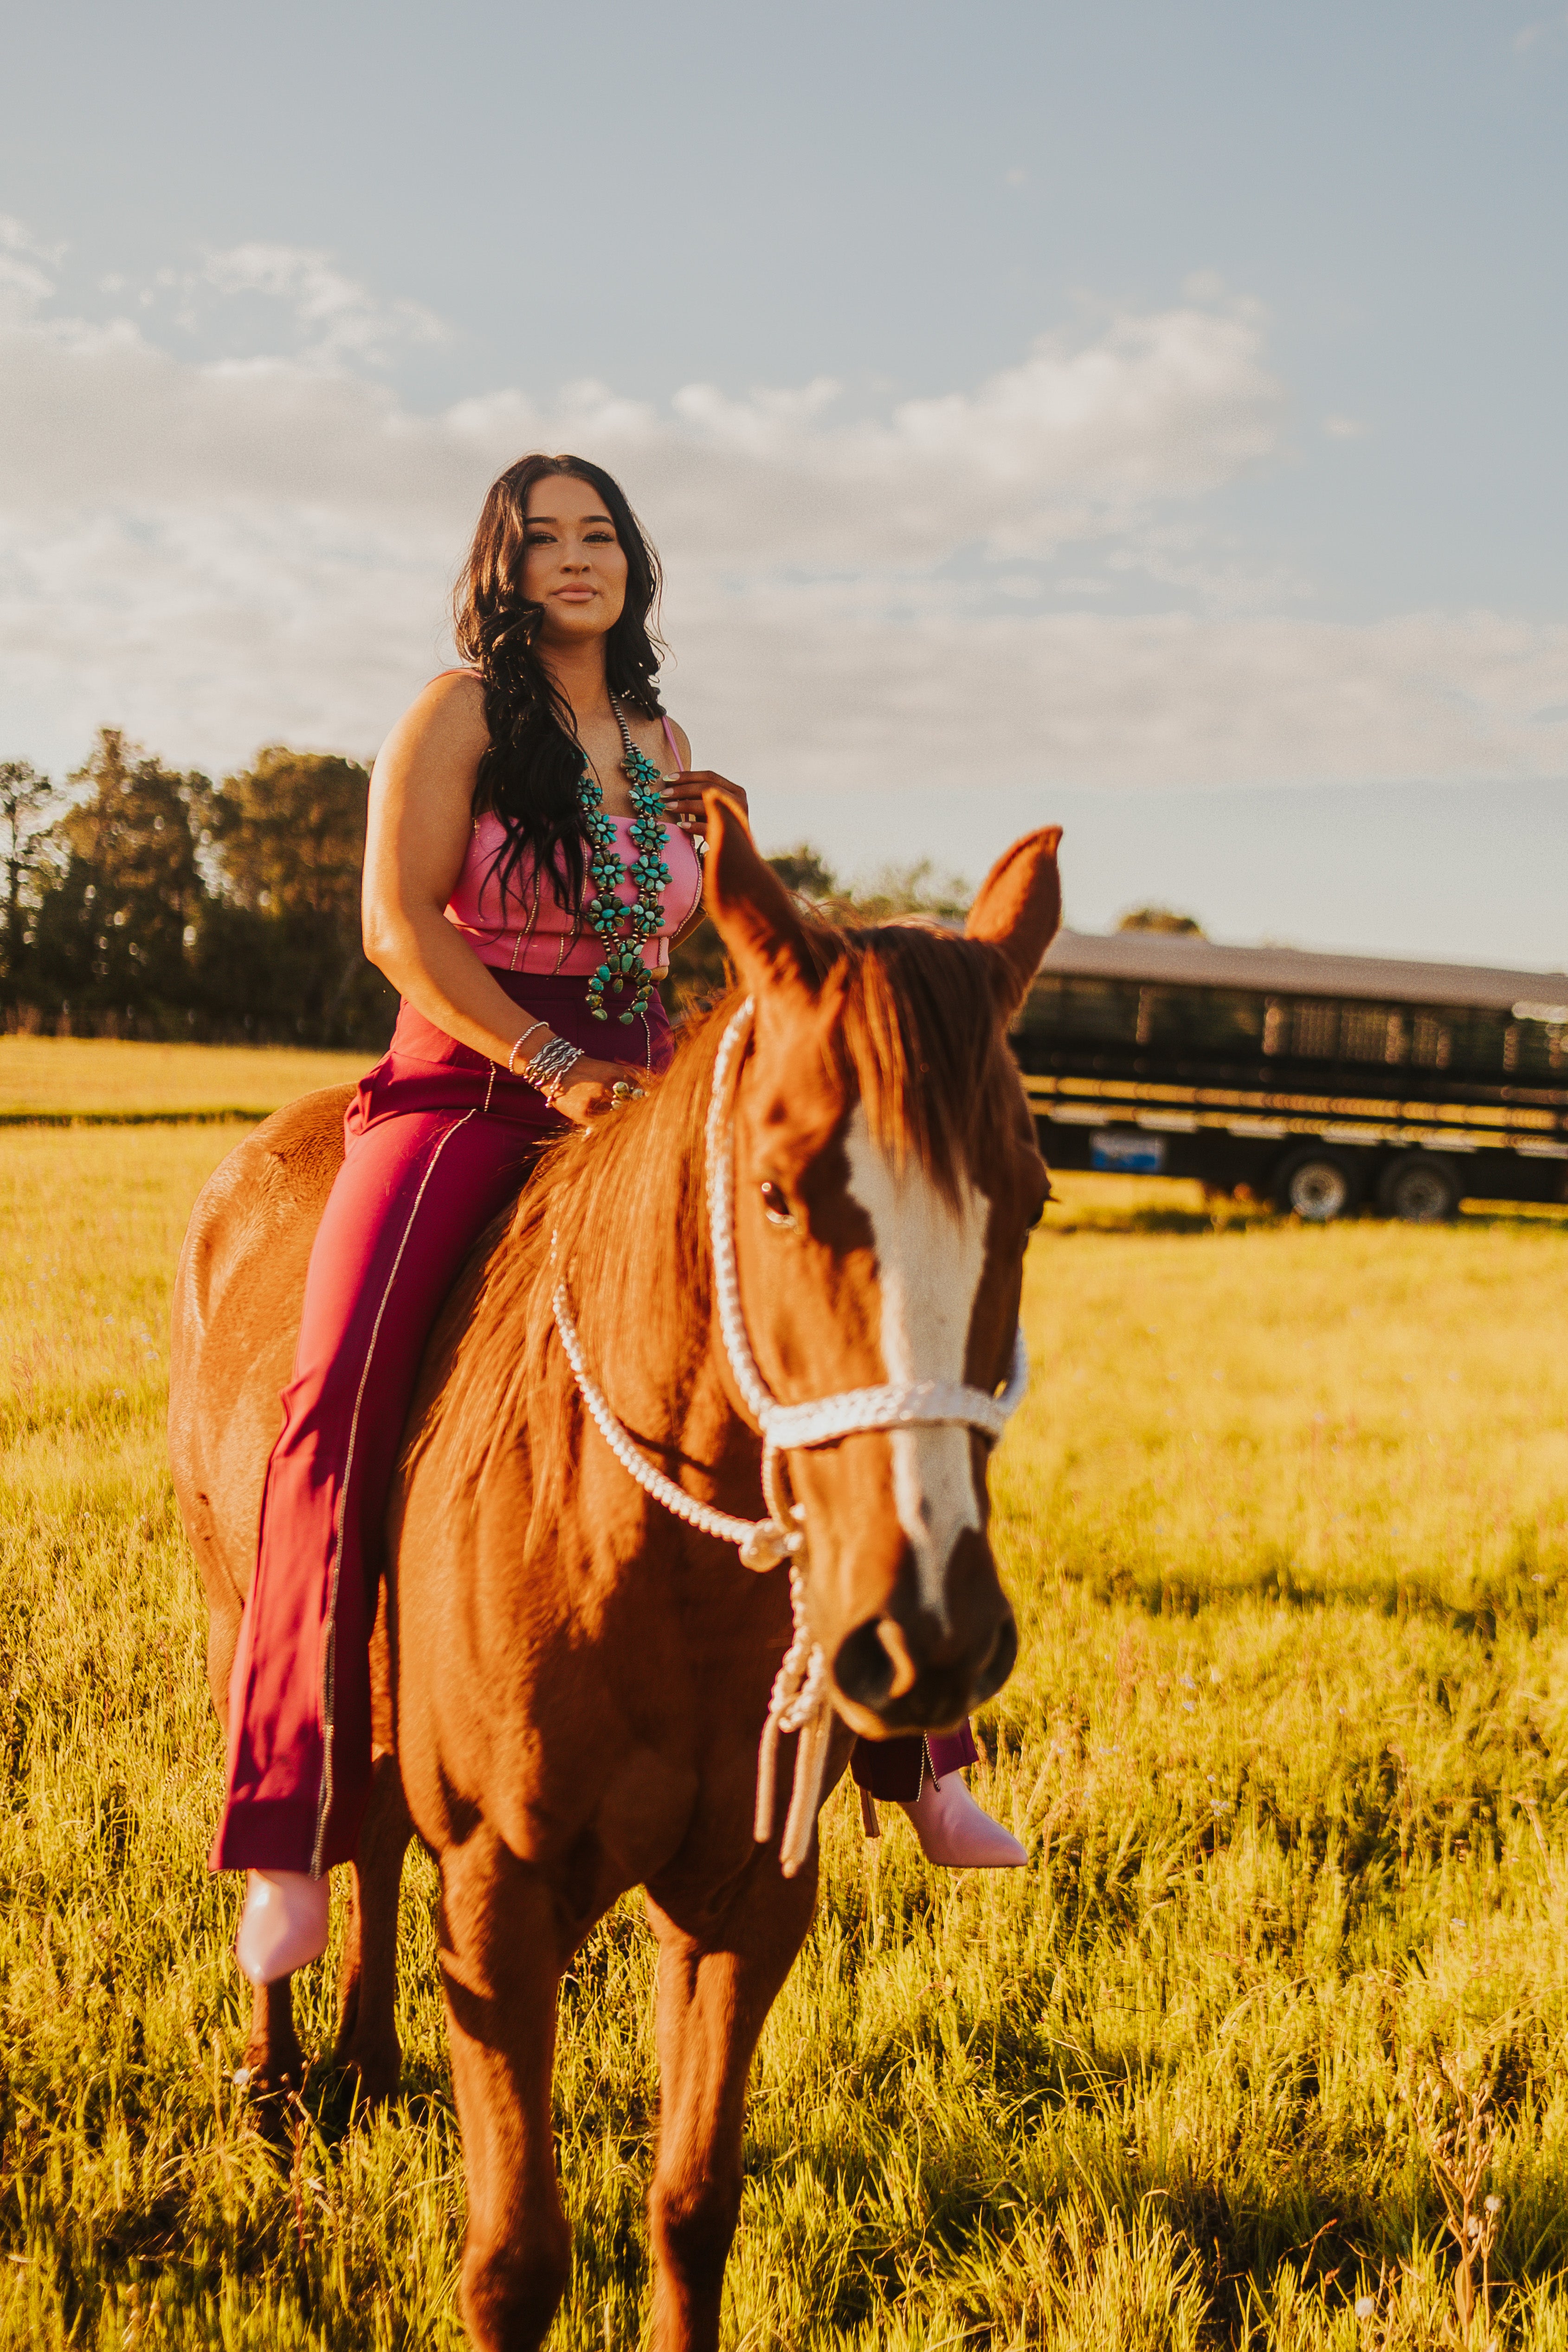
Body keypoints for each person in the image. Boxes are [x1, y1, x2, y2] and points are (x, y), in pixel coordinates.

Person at [215, 453, 1022, 1990]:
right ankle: (285, 1822)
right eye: (543, 538)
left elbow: (699, 941)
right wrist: (546, 1059)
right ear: (501, 565)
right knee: (332, 1402)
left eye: (599, 535)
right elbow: (396, 924)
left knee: (828, 1357)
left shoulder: (666, 745)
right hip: (469, 1088)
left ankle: (919, 1758)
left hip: (644, 1099)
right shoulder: (453, 716)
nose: (574, 560)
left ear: (633, 565)